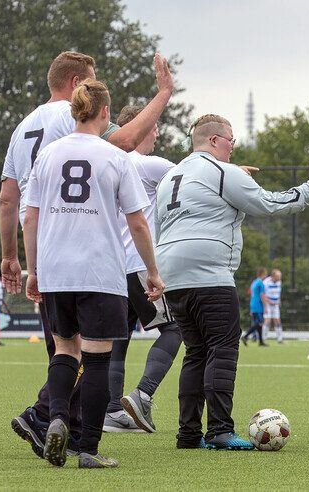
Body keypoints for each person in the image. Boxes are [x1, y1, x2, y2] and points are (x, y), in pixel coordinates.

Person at [2, 50, 174, 458]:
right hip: (98, 267)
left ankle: (53, 417)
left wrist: (24, 265)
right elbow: (135, 212)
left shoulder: (31, 136)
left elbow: (15, 203)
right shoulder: (109, 152)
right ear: (86, 93)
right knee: (96, 361)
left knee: (64, 351)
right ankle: (84, 444)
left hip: (53, 262)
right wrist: (164, 92)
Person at [155, 113, 309, 450]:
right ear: (214, 141)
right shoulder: (222, 172)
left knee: (196, 352)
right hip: (209, 272)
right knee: (223, 348)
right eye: (231, 140)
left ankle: (188, 434)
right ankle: (219, 431)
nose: (234, 147)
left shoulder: (171, 175)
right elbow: (269, 204)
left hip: (171, 274)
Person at [102, 105, 182, 434]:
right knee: (176, 330)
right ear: (140, 127)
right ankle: (143, 395)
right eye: (154, 127)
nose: (158, 133)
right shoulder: (148, 164)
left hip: (111, 268)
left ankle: (110, 412)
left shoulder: (107, 163)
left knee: (117, 340)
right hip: (138, 265)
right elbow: (194, 177)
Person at [242, 268, 269, 346]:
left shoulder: (254, 282)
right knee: (259, 323)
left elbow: (252, 294)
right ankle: (245, 336)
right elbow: (262, 295)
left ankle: (261, 342)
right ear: (263, 274)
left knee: (258, 323)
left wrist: (251, 308)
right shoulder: (261, 283)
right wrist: (266, 306)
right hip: (258, 306)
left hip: (253, 304)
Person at [263, 269, 283, 343]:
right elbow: (263, 294)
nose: (279, 278)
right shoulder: (266, 282)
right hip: (268, 304)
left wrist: (279, 300)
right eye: (278, 276)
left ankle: (280, 339)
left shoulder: (279, 282)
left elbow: (278, 292)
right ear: (273, 276)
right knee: (267, 321)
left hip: (275, 305)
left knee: (277, 321)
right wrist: (268, 302)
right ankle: (263, 339)